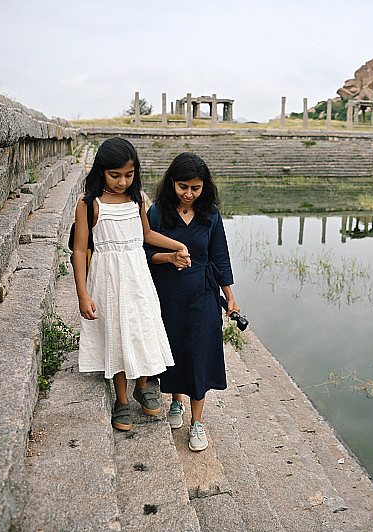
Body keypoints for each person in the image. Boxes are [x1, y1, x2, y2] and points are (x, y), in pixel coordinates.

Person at [72, 137, 191, 431]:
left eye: (129, 174)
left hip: (138, 278)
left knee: (141, 328)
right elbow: (78, 250)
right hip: (108, 280)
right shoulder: (90, 205)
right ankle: (122, 399)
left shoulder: (137, 201)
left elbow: (147, 235)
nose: (122, 181)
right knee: (117, 333)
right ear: (101, 171)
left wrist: (177, 245)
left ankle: (143, 385)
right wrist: (82, 294)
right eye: (115, 175)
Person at [144, 152, 240, 452]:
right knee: (175, 350)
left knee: (199, 354)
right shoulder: (158, 212)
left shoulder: (210, 215)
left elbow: (220, 257)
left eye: (195, 188)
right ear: (171, 183)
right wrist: (170, 257)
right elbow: (144, 254)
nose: (188, 194)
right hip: (168, 295)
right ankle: (176, 402)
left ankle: (197, 422)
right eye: (182, 186)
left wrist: (231, 298)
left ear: (204, 187)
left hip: (203, 295)